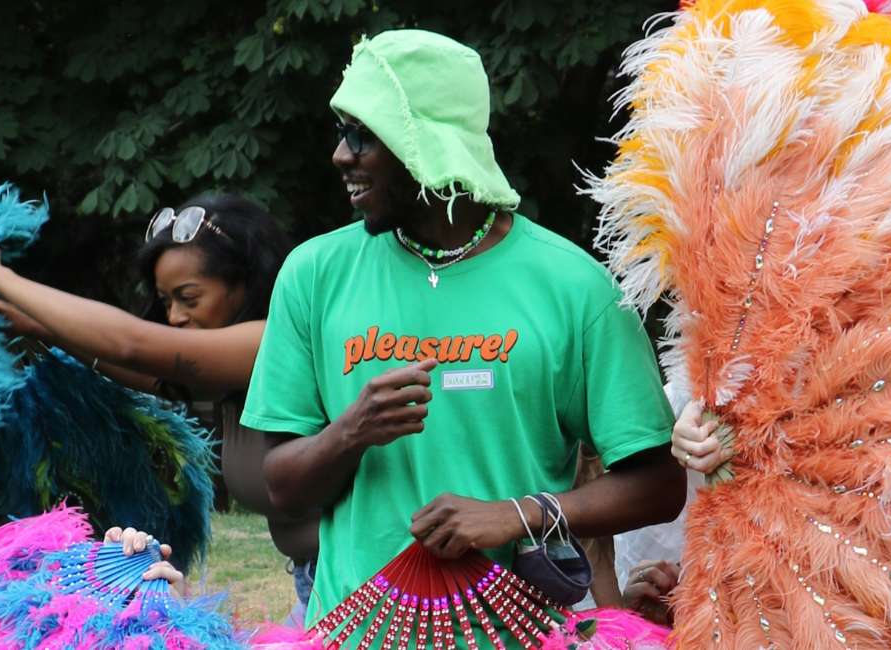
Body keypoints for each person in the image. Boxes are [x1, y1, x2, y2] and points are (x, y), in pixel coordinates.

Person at [243, 29, 687, 641]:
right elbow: (281, 488)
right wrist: (352, 431)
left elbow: (658, 485)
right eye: (342, 133)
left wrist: (519, 515)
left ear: (427, 139)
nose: (342, 155)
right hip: (352, 633)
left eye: (362, 135)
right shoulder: (314, 274)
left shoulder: (573, 286)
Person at [0, 193, 321, 616]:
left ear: (245, 283)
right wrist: (39, 328)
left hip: (355, 584)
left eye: (189, 298)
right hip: (313, 583)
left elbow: (132, 345)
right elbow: (127, 364)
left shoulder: (269, 342)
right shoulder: (227, 380)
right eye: (167, 302)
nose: (175, 317)